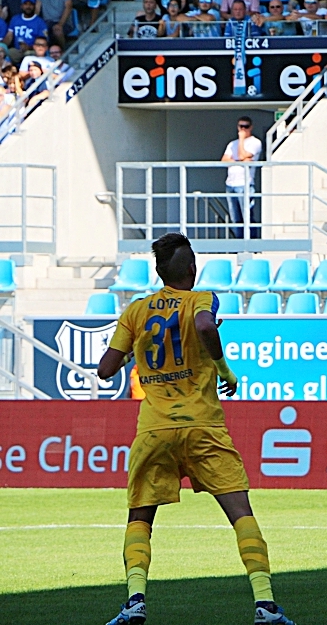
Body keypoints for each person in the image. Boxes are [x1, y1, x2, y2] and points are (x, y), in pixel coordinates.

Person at [98, 234, 296, 625]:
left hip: (154, 429)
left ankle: (135, 601)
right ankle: (265, 604)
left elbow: (105, 369)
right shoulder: (201, 299)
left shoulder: (136, 311)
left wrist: (140, 347)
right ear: (192, 269)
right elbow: (205, 326)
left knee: (141, 516)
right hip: (202, 425)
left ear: (159, 271)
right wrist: (225, 371)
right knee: (240, 513)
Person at [221, 116, 262, 239]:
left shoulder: (255, 142)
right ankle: (239, 245)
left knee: (247, 215)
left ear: (251, 127)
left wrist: (242, 139)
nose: (243, 129)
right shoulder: (231, 144)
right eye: (241, 126)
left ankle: (251, 245)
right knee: (235, 218)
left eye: (246, 126)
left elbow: (241, 154)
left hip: (245, 184)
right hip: (230, 184)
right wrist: (240, 160)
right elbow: (224, 160)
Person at [5, 0, 46, 65]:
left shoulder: (40, 22)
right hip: (17, 51)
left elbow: (43, 41)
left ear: (34, 6)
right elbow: (9, 36)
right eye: (25, 4)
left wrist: (29, 47)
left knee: (29, 56)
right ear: (21, 6)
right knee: (6, 54)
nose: (28, 7)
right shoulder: (15, 19)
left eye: (31, 4)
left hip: (32, 51)